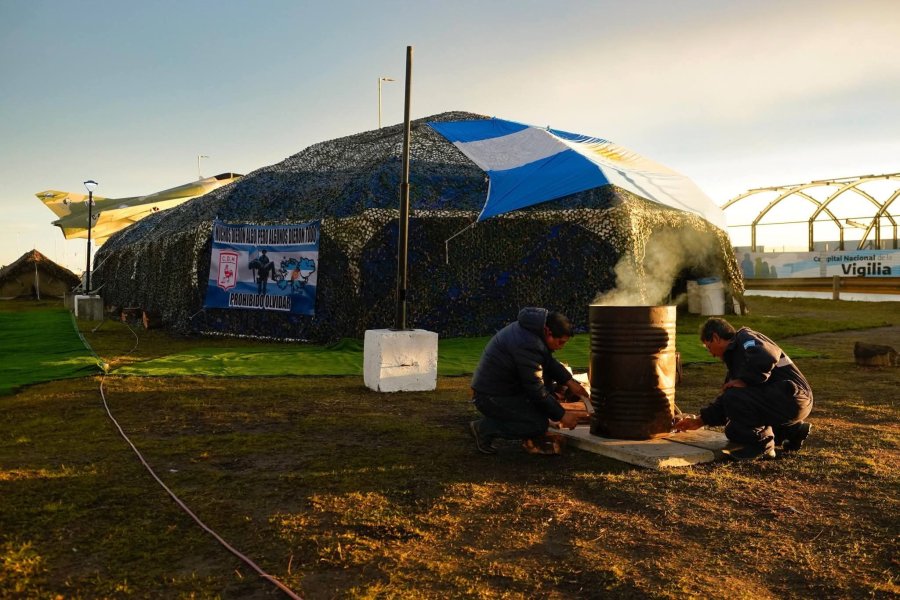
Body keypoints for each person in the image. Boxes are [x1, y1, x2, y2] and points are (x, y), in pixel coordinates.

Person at [673, 317, 813, 461]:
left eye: (709, 347)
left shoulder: (746, 337)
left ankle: (762, 445)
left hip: (794, 397)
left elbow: (766, 356)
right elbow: (727, 402)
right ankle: (792, 430)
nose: (711, 354)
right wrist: (700, 421)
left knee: (734, 397)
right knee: (733, 429)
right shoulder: (736, 361)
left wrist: (746, 380)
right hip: (785, 403)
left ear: (716, 337)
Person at [468, 307, 587, 455]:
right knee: (536, 425)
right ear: (549, 333)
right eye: (560, 342)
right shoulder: (528, 344)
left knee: (541, 413)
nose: (561, 347)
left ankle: (503, 421)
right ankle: (484, 428)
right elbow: (535, 389)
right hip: (490, 397)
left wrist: (569, 381)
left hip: (501, 390)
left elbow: (548, 362)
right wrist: (562, 415)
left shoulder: (532, 332)